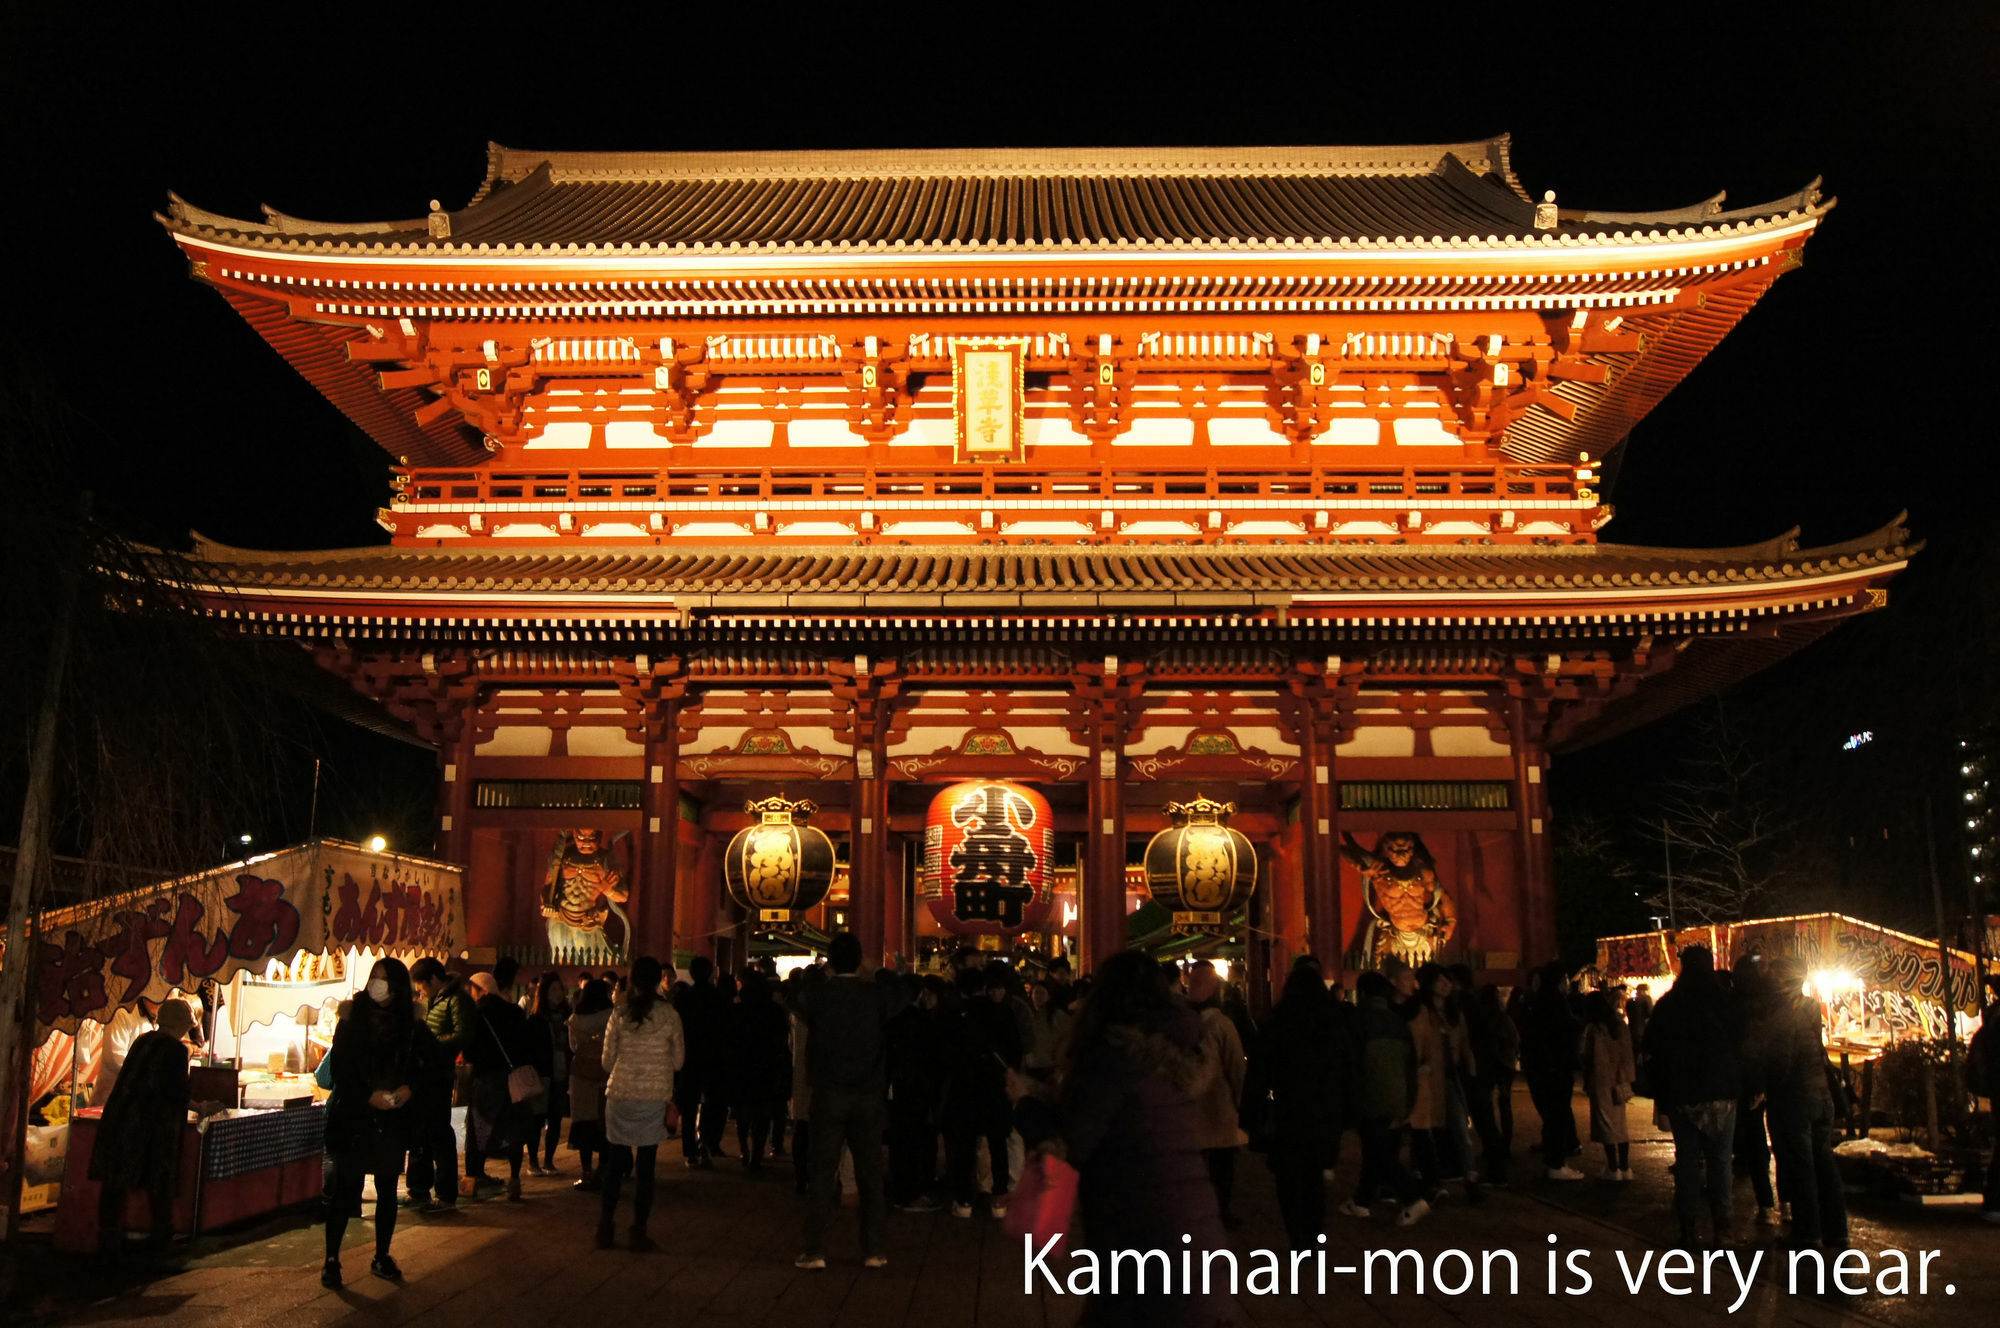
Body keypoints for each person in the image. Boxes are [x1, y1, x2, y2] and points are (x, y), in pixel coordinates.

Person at [1009, 950, 1229, 1327]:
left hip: (1138, 1226)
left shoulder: (1114, 1055)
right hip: (1190, 1222)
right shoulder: (1177, 1052)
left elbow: (1070, 1144)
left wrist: (1024, 1103)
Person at [788, 931, 908, 1270]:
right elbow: (904, 992)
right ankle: (874, 1249)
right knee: (871, 1173)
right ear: (859, 961)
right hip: (868, 1093)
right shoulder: (875, 996)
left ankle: (815, 1249)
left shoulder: (821, 996)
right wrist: (879, 971)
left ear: (830, 961)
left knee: (822, 1173)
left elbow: (793, 993)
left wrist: (816, 971)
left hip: (828, 1092)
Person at [320, 959, 437, 1287]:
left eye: (384, 980)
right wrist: (366, 1095)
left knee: (386, 1189)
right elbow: (341, 1068)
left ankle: (382, 1254)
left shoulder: (412, 1024)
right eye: (375, 978)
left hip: (393, 1119)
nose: (377, 985)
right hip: (355, 1115)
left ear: (398, 986)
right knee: (346, 1190)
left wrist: (406, 1089)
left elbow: (425, 1066)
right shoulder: (351, 1017)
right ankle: (331, 1259)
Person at [1642, 944, 1744, 1249]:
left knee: (1687, 1162)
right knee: (1720, 1163)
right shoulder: (1725, 1001)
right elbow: (1744, 1045)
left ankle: (1687, 1229)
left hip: (1682, 1095)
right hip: (1722, 1093)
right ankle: (1722, 1229)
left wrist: (1662, 1093)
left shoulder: (1668, 1005)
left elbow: (1651, 1051)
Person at [1245, 965, 1352, 1252]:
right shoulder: (1333, 1021)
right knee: (1315, 1177)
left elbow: (1259, 1071)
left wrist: (1251, 1113)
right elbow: (1348, 1068)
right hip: (1325, 1108)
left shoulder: (1279, 1020)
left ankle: (1297, 1237)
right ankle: (1315, 1235)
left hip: (1288, 1109)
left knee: (1289, 1178)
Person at [1747, 955, 1849, 1250]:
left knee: (1801, 1165)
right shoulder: (1809, 1006)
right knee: (1824, 1163)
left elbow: (1780, 1060)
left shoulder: (1780, 1012)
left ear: (1781, 980)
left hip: (1794, 1099)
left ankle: (1808, 1232)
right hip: (1820, 1093)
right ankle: (1836, 1230)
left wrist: (1763, 1085)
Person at [91, 998, 197, 1266]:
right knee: (159, 1180)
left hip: (119, 1117)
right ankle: (161, 1240)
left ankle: (108, 1242)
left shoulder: (143, 1041)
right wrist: (201, 1106)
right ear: (181, 1025)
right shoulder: (175, 1050)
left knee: (115, 1181)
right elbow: (176, 1091)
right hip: (148, 1125)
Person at [599, 955, 685, 1250]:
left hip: (620, 1094)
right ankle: (638, 1230)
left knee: (613, 1163)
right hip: (653, 1097)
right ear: (659, 979)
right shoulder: (670, 1015)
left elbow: (607, 1061)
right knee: (646, 1169)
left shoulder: (619, 1013)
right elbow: (678, 1061)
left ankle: (605, 1226)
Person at [1344, 970, 1427, 1226]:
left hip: (1370, 1095)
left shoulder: (1357, 1021)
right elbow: (1410, 1064)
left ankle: (1413, 1198)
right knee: (1376, 1149)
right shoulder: (1398, 1022)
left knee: (1379, 1152)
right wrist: (1408, 1101)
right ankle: (1361, 1202)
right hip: (1398, 1095)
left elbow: (1351, 1064)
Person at [940, 960, 1020, 1219]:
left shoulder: (955, 1015)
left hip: (965, 1087)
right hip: (995, 1087)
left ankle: (965, 1201)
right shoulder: (1002, 1013)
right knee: (998, 1143)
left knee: (965, 1145)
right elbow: (1015, 1051)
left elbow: (947, 1054)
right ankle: (999, 1201)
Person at [1185, 961, 1248, 1228]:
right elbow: (1236, 1066)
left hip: (1189, 1107)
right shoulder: (1222, 1024)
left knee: (1194, 1168)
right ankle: (1219, 1212)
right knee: (1221, 1168)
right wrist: (1241, 1100)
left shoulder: (1181, 1023)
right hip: (1219, 1106)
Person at [407, 957, 473, 1210]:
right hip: (423, 1075)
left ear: (433, 980)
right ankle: (419, 1189)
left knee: (439, 1133)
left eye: (422, 985)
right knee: (420, 1133)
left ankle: (446, 1194)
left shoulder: (457, 1000)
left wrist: (432, 1045)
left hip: (440, 1075)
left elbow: (462, 1035)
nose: (420, 991)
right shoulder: (433, 1000)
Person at [464, 970, 534, 1200]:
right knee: (513, 1130)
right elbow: (525, 1045)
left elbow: (470, 1051)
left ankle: (472, 1182)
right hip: (512, 1079)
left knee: (478, 1131)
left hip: (486, 1080)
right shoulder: (514, 1011)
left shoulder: (477, 1014)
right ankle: (514, 1179)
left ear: (481, 990)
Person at [885, 973, 945, 1210]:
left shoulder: (892, 1018)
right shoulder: (921, 1020)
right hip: (917, 1087)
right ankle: (910, 1192)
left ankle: (900, 1188)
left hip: (897, 1086)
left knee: (899, 1139)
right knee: (912, 1139)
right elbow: (933, 1057)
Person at [1520, 961, 1585, 1180]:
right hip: (1554, 1068)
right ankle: (1557, 1163)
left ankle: (1555, 1157)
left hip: (1542, 1067)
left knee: (1553, 1115)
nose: (1567, 983)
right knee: (1557, 1114)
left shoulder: (1539, 1001)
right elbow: (1560, 1035)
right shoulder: (1555, 1003)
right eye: (1565, 979)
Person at [727, 972, 792, 1172]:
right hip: (766, 1067)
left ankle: (744, 1149)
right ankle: (756, 1154)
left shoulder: (736, 1011)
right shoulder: (775, 1011)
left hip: (741, 1067)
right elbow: (782, 1040)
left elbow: (729, 1040)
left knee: (742, 1112)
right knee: (762, 1115)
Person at [672, 956, 729, 1167]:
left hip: (689, 1058)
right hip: (714, 1058)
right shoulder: (719, 998)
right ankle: (707, 1145)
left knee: (688, 1108)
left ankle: (690, 1151)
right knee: (712, 1105)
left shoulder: (684, 999)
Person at [1580, 987, 1636, 1180]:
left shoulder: (1593, 1030)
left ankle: (1613, 1168)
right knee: (1621, 1125)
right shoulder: (1619, 1025)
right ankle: (1625, 1167)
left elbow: (1584, 1055)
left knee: (1606, 1125)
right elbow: (1628, 1053)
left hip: (1600, 1080)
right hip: (1619, 1080)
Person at [568, 978, 615, 1189]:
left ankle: (585, 1171)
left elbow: (572, 1046)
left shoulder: (575, 1020)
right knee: (603, 1123)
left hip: (580, 1075)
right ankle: (603, 1170)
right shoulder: (610, 1017)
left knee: (582, 1122)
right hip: (603, 1074)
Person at [525, 972, 570, 1174]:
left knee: (555, 1119)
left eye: (560, 989)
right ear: (544, 993)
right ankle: (533, 1161)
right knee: (536, 1119)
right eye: (553, 989)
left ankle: (549, 1161)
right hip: (542, 1074)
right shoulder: (536, 1019)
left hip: (561, 1074)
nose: (558, 994)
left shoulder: (568, 1016)